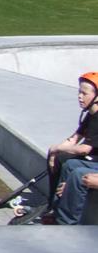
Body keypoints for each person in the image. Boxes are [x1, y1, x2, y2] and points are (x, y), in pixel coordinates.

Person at [39, 72, 98, 224]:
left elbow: (85, 149)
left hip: (95, 158)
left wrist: (57, 148)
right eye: (79, 92)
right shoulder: (90, 114)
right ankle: (56, 208)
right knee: (67, 162)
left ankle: (66, 224)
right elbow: (74, 138)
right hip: (92, 159)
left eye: (84, 93)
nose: (79, 96)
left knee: (77, 174)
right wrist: (55, 150)